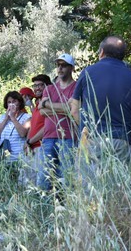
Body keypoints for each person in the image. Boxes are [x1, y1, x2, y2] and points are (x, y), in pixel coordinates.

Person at [71, 36, 131, 163]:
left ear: (102, 52)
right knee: (118, 183)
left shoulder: (88, 72)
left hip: (91, 139)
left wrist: (86, 129)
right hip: (121, 141)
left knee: (89, 182)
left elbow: (74, 110)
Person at [37, 54, 78, 191]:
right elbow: (41, 111)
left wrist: (48, 103)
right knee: (44, 178)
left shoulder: (76, 87)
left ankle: (65, 210)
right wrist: (63, 108)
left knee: (66, 178)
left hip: (68, 137)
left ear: (71, 68)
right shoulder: (49, 88)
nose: (60, 68)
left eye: (64, 65)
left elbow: (72, 109)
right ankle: (45, 209)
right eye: (58, 65)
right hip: (48, 137)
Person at [22, 74, 52, 185]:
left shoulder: (49, 104)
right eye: (35, 86)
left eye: (40, 85)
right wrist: (27, 142)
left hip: (41, 147)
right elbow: (34, 125)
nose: (37, 88)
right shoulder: (38, 104)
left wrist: (30, 141)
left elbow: (47, 127)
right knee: (28, 182)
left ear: (48, 87)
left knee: (40, 183)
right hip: (32, 148)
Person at [0, 91, 31, 163]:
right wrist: (6, 119)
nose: (11, 104)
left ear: (19, 103)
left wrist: (13, 118)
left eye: (14, 101)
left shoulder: (27, 117)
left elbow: (22, 133)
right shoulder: (3, 117)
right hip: (4, 156)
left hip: (19, 157)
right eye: (9, 102)